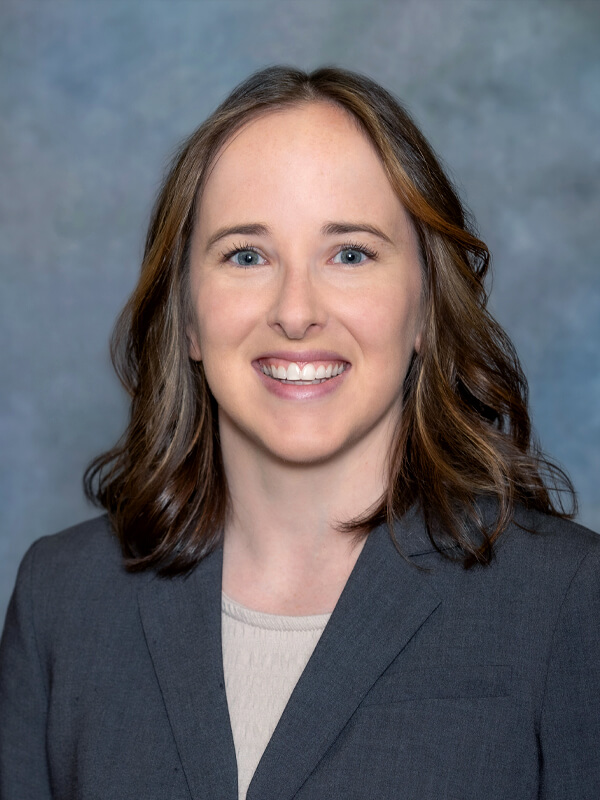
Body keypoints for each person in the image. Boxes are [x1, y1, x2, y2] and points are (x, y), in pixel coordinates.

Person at [0, 65, 598, 800]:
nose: (295, 310)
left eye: (350, 253)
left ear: (425, 306)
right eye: (246, 255)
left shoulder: (566, 600)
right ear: (187, 313)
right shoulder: (63, 598)